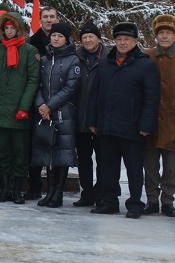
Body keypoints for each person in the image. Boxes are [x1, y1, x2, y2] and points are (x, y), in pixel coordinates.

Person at [86, 22, 159, 217]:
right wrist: (92, 121)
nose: (123, 42)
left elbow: (152, 99)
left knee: (134, 169)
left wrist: (146, 125)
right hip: (107, 126)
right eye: (119, 39)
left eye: (127, 39)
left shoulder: (145, 65)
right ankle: (109, 201)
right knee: (107, 167)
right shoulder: (104, 63)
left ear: (135, 41)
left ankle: (135, 203)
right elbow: (94, 94)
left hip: (132, 128)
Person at [0, 14, 39, 203]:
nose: (9, 31)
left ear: (19, 29)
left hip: (19, 114)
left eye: (12, 28)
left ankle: (17, 189)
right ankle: (5, 188)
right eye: (6, 28)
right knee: (2, 152)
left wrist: (24, 107)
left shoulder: (30, 51)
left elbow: (33, 81)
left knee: (20, 153)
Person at [143, 14, 175, 217]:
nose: (165, 36)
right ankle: (152, 200)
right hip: (150, 120)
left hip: (173, 119)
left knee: (170, 166)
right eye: (161, 32)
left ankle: (167, 201)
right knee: (150, 164)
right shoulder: (147, 55)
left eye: (169, 33)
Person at [32, 21, 80, 208]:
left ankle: (58, 192)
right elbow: (36, 85)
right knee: (47, 152)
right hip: (44, 114)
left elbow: (70, 88)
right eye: (54, 36)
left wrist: (50, 106)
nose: (56, 39)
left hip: (63, 113)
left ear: (66, 39)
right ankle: (49, 191)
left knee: (61, 154)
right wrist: (41, 105)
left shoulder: (72, 60)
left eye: (60, 36)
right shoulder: (44, 59)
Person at [71, 20, 107, 207]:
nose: (87, 40)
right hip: (80, 117)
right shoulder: (76, 57)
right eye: (84, 37)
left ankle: (101, 192)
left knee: (102, 159)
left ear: (98, 39)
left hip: (101, 119)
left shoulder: (108, 58)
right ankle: (86, 192)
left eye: (91, 36)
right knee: (84, 159)